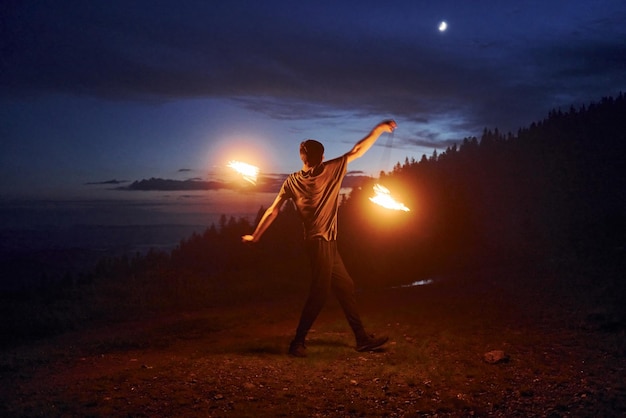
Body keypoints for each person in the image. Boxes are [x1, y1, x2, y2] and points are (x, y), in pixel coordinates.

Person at [242, 119, 397, 357]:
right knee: (319, 294)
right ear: (322, 157)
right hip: (321, 242)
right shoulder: (331, 169)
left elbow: (273, 210)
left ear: (302, 156)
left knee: (345, 286)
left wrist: (255, 236)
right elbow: (357, 150)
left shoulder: (291, 181)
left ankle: (362, 339)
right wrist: (378, 130)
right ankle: (298, 342)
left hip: (322, 244)